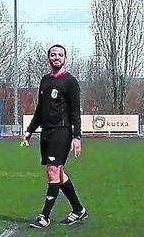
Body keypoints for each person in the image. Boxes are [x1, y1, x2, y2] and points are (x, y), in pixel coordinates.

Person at [23, 44, 88, 228]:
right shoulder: (45, 80)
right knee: (58, 172)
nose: (56, 57)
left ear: (65, 58)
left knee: (52, 171)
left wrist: (77, 137)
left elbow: (75, 112)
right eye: (53, 55)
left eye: (60, 55)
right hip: (46, 132)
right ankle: (78, 210)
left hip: (62, 131)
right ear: (48, 58)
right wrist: (29, 130)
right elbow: (40, 110)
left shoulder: (70, 81)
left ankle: (44, 216)